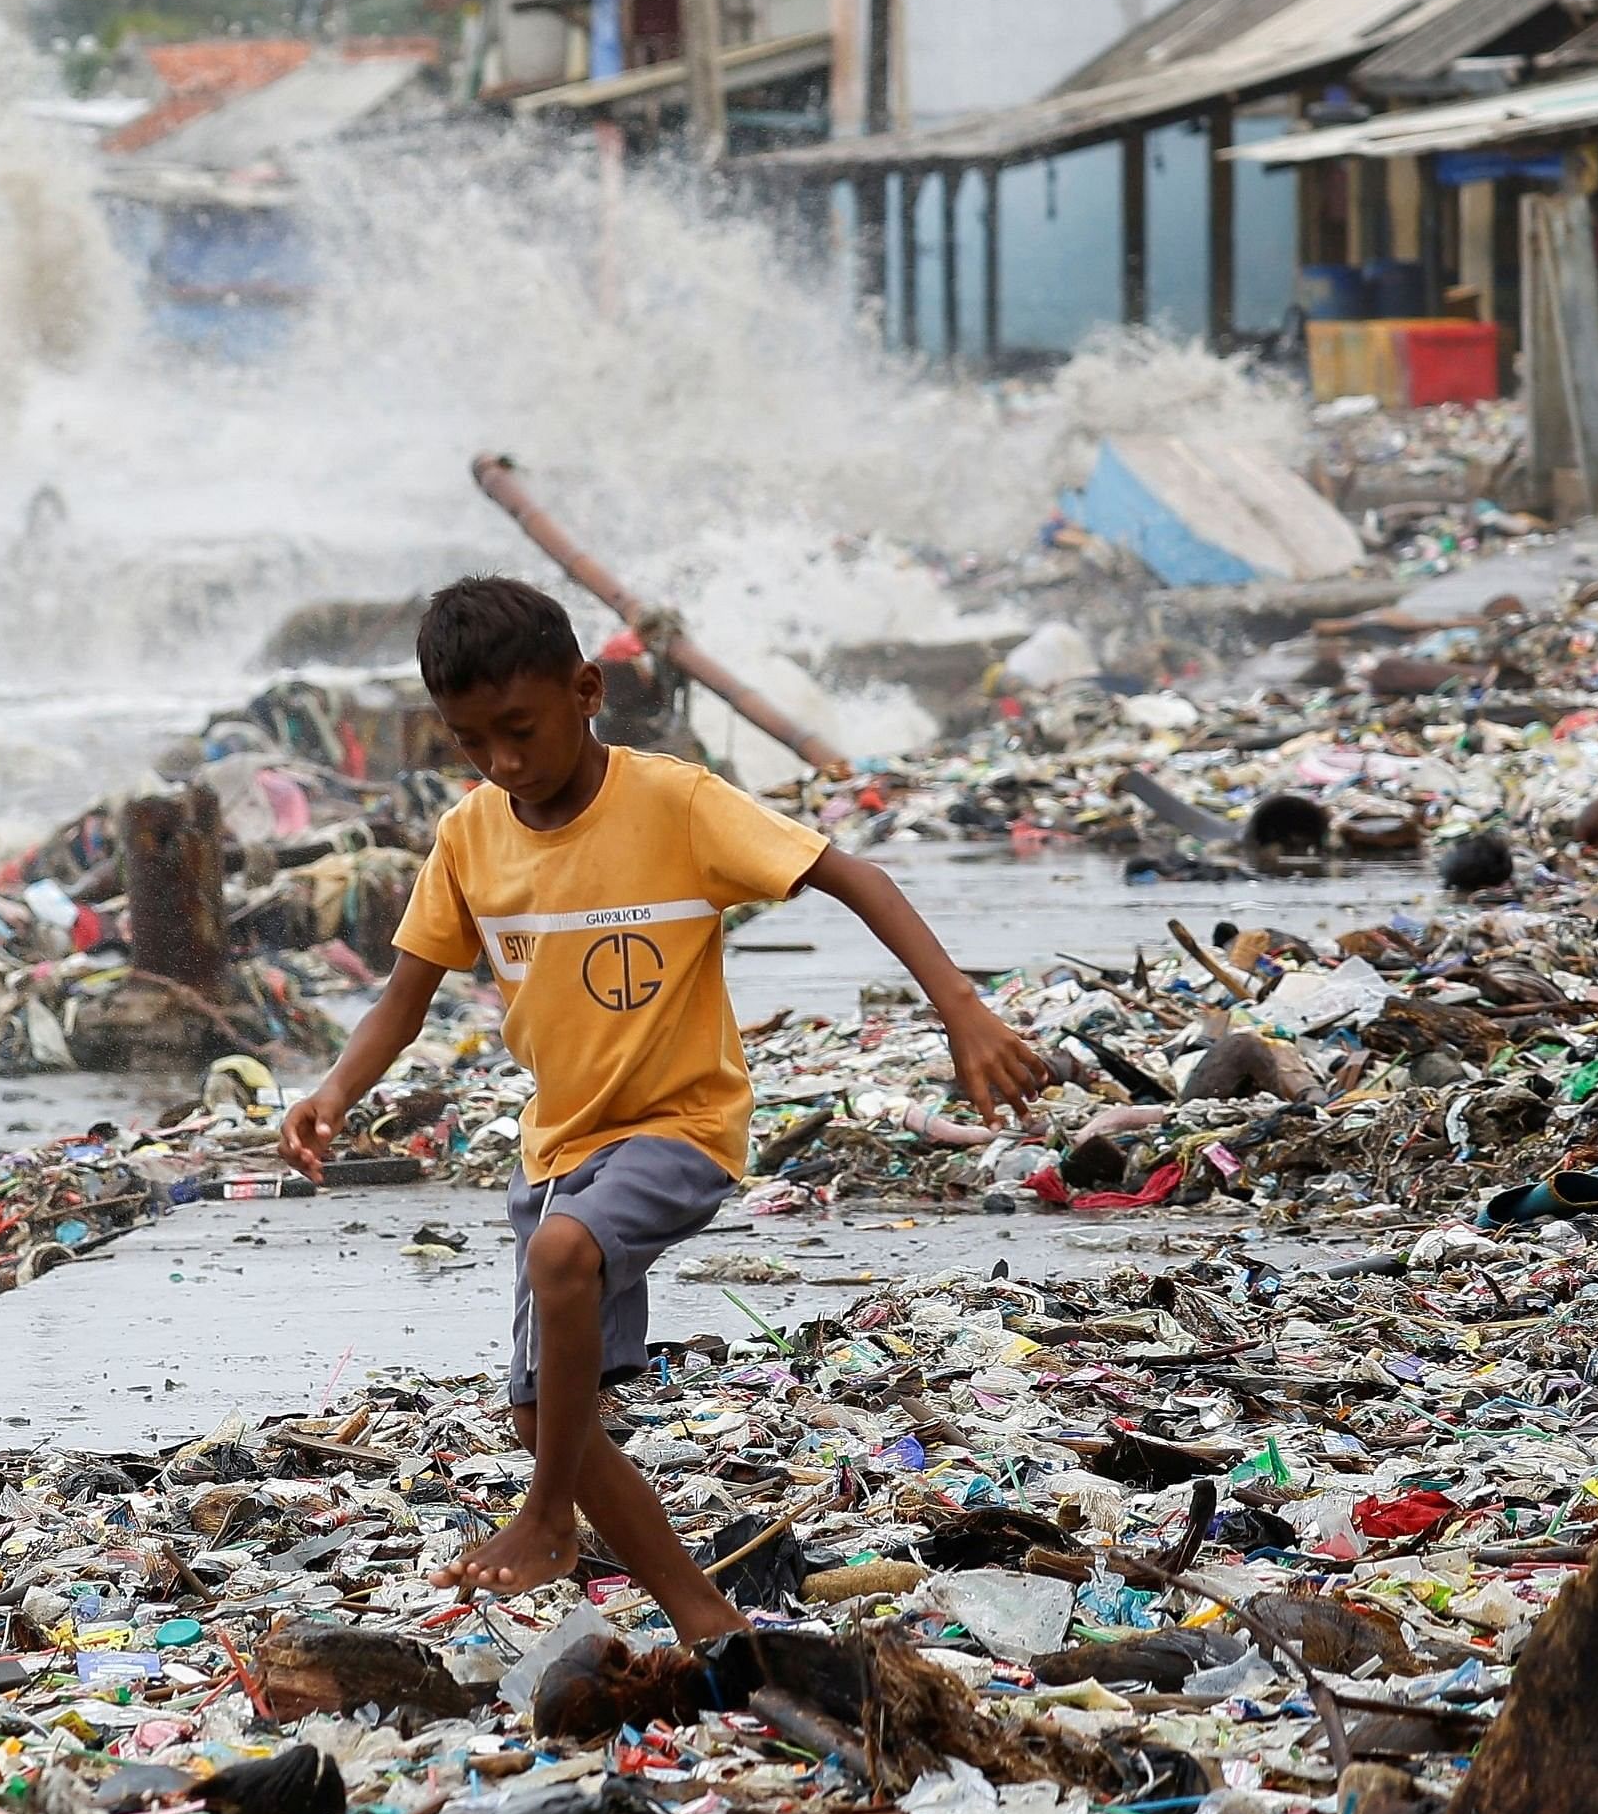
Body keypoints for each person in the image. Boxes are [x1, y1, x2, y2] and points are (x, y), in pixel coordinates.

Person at [280, 576, 1049, 1635]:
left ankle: (545, 1521)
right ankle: (703, 1618)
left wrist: (961, 1012)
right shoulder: (469, 838)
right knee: (538, 1409)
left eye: (518, 729)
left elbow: (851, 872)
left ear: (585, 689)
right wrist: (329, 1091)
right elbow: (402, 998)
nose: (501, 762)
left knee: (561, 1258)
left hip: (681, 1128)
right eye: (469, 742)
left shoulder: (674, 803)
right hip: (557, 1146)